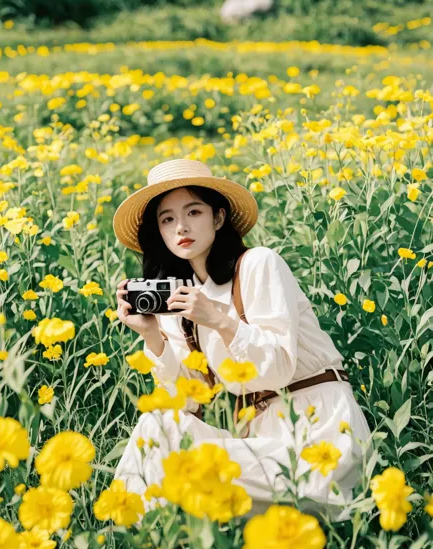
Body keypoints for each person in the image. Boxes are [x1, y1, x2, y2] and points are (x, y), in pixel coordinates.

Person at [112, 158, 373, 523]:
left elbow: (278, 370)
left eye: (193, 211)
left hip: (320, 440)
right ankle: (131, 532)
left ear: (218, 218)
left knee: (177, 463)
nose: (181, 226)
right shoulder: (178, 299)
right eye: (167, 219)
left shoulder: (258, 265)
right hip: (258, 446)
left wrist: (218, 319)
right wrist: (152, 336)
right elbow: (185, 403)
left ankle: (137, 533)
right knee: (157, 428)